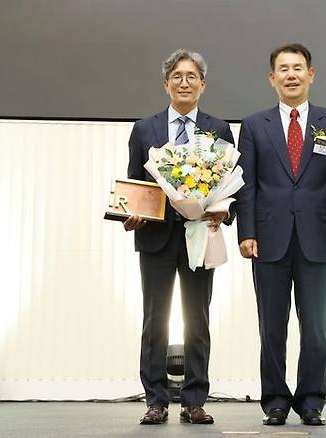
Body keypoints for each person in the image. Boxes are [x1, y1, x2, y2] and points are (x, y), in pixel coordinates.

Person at [235, 43, 326, 426]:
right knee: (272, 324)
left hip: (319, 237)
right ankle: (275, 400)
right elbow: (246, 185)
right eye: (283, 69)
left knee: (316, 324)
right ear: (272, 79)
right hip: (268, 238)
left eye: (298, 68)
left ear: (311, 74)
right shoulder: (253, 126)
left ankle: (312, 399)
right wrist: (246, 231)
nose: (291, 75)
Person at [124, 49, 234, 425]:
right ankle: (155, 400)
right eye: (177, 76)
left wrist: (224, 211)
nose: (184, 83)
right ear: (166, 83)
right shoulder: (144, 129)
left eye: (192, 77)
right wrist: (131, 213)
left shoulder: (218, 129)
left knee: (197, 318)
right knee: (155, 320)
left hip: (201, 234)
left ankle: (194, 400)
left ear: (203, 85)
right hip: (155, 237)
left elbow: (229, 186)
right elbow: (135, 184)